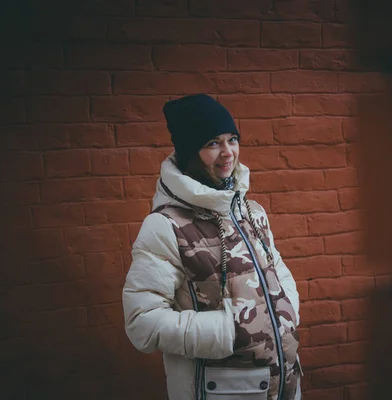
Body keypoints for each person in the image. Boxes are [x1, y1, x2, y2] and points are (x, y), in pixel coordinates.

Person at [122, 94, 302, 400]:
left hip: (284, 382)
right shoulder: (166, 226)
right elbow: (142, 323)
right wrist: (230, 330)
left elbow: (279, 272)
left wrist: (287, 311)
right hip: (223, 392)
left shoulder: (251, 211)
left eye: (232, 139)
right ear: (191, 152)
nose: (228, 152)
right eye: (213, 143)